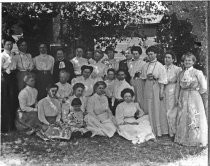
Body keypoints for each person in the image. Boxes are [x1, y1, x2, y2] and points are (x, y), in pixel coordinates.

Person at [174, 52, 207, 147]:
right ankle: (183, 138)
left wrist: (196, 92)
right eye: (185, 60)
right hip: (183, 95)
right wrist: (177, 97)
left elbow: (204, 87)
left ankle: (195, 139)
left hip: (194, 96)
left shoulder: (197, 72)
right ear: (183, 62)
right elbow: (177, 87)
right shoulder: (181, 73)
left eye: (189, 60)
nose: (187, 62)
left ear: (193, 62)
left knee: (194, 115)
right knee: (183, 115)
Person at [141, 45, 168, 137]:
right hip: (147, 86)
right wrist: (147, 77)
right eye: (148, 55)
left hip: (156, 86)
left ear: (155, 54)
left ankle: (158, 130)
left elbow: (163, 80)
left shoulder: (160, 66)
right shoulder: (145, 65)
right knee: (148, 106)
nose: (150, 56)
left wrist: (161, 92)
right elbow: (143, 77)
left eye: (151, 54)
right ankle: (149, 129)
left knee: (156, 107)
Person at [1, 37, 18, 132]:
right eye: (8, 44)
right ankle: (5, 126)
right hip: (5, 78)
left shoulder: (13, 55)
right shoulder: (2, 56)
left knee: (13, 100)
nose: (10, 46)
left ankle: (12, 125)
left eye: (11, 44)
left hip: (13, 77)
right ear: (4, 45)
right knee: (6, 101)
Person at [163, 51, 182, 137]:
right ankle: (165, 130)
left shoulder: (177, 69)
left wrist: (177, 94)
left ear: (173, 59)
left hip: (172, 89)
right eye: (165, 57)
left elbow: (179, 82)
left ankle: (173, 132)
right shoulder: (161, 67)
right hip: (162, 89)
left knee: (172, 111)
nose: (166, 59)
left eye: (169, 57)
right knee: (164, 109)